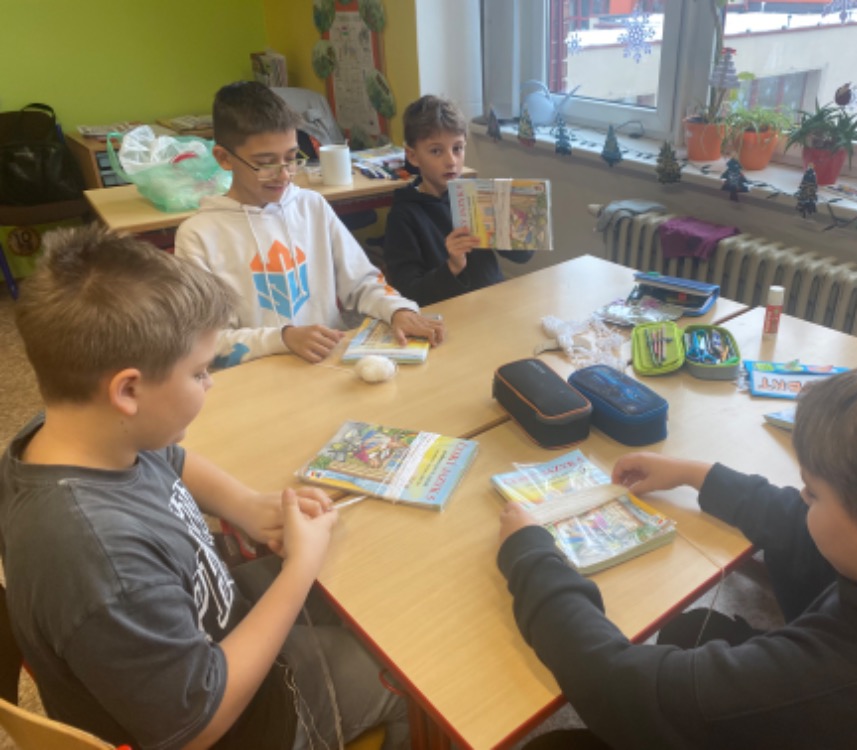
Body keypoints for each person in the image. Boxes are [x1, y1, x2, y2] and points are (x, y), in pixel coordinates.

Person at [0, 224, 408, 749]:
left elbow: (171, 459)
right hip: (243, 722)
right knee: (408, 672)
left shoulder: (77, 428)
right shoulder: (98, 556)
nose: (210, 383)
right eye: (198, 373)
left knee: (375, 589)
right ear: (128, 390)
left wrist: (247, 505)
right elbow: (198, 723)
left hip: (215, 617)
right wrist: (300, 569)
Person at [497, 358, 857, 749]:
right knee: (692, 631)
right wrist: (696, 474)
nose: (801, 497)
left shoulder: (818, 680)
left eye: (814, 492)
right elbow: (799, 525)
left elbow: (616, 683)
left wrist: (530, 557)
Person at [174, 81, 443, 368]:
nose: (284, 175)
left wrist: (398, 310)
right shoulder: (199, 236)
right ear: (224, 158)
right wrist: (284, 338)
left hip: (327, 367)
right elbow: (204, 343)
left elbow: (362, 282)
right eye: (265, 163)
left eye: (291, 158)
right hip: (257, 378)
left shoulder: (311, 206)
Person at [383, 95, 534, 306]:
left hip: (493, 303)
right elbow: (409, 294)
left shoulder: (475, 195)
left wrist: (514, 226)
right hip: (447, 314)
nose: (451, 161)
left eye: (457, 148)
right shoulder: (403, 216)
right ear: (413, 156)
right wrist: (452, 266)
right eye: (436, 151)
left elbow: (522, 257)